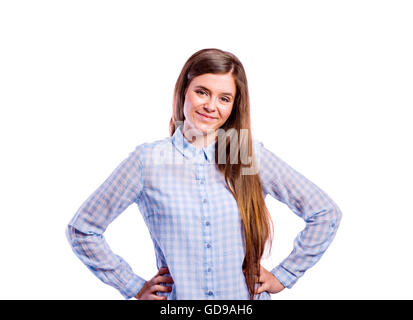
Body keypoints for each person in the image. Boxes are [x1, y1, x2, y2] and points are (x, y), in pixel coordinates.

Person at [66, 48, 342, 300]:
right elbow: (83, 230)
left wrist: (284, 276)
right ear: (184, 91)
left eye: (224, 98)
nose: (212, 106)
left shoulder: (248, 156)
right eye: (202, 92)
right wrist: (132, 286)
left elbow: (324, 213)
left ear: (234, 105)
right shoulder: (147, 161)